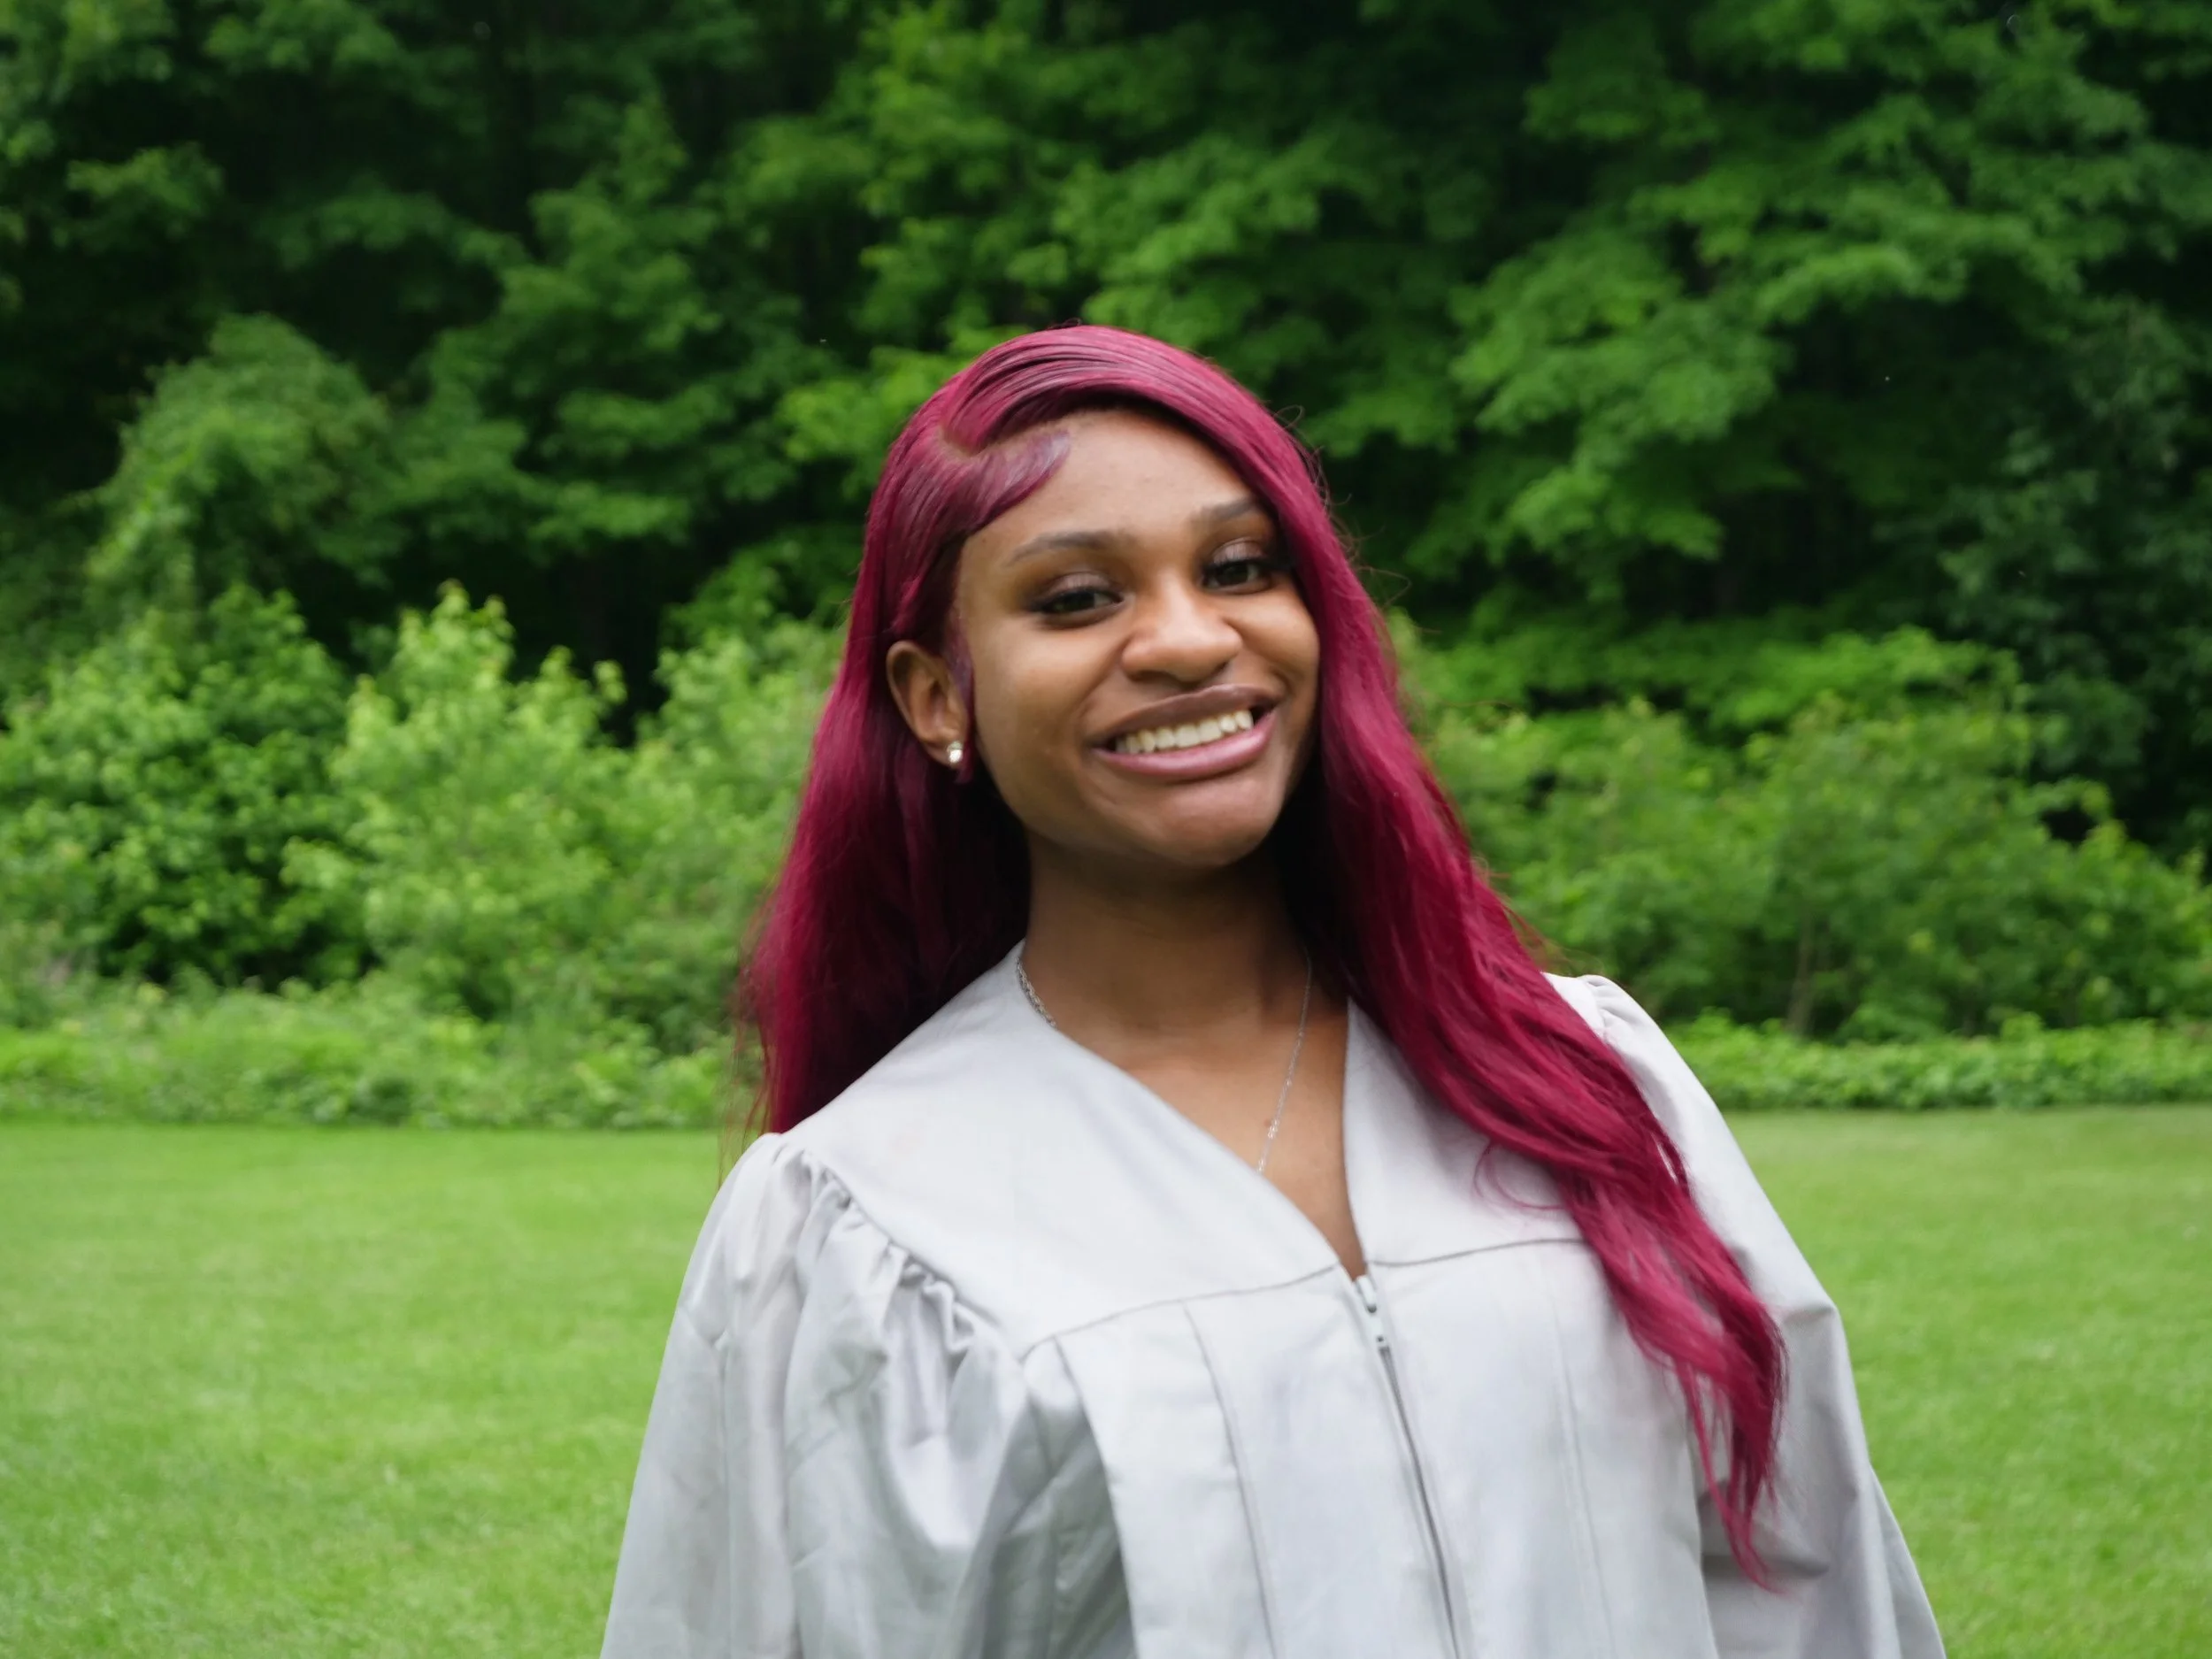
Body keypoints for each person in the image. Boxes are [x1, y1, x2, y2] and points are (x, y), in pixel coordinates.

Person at [599, 326, 1944, 1659]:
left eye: (1240, 567)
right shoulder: (861, 1219)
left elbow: (1810, 1583)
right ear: (937, 693)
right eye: (1076, 598)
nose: (1189, 639)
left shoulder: (1579, 1079)